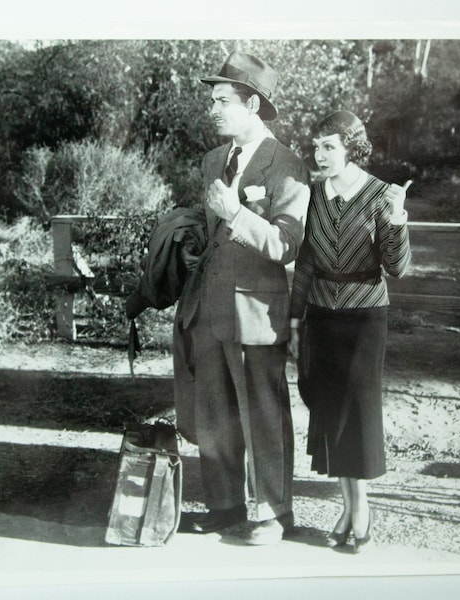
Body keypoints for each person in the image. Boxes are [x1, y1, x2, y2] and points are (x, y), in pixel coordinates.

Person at [173, 51, 310, 545]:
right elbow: (213, 235)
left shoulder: (287, 164)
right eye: (212, 99)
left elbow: (285, 243)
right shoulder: (213, 160)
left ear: (251, 103)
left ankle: (274, 511)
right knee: (214, 410)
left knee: (262, 413)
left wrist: (235, 212)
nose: (214, 108)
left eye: (223, 100)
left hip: (257, 311)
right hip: (210, 308)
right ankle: (225, 505)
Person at [289, 110, 411, 553]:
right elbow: (305, 262)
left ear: (352, 148)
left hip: (364, 320)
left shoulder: (381, 195)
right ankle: (345, 508)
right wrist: (294, 319)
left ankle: (361, 511)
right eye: (316, 146)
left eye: (330, 146)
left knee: (358, 415)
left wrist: (397, 219)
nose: (319, 155)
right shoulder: (314, 196)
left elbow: (396, 269)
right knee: (331, 412)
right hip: (321, 317)